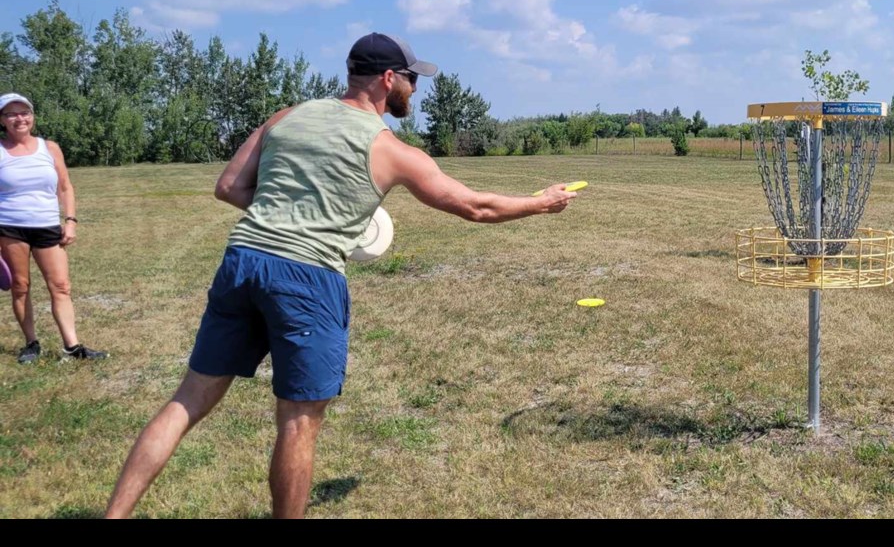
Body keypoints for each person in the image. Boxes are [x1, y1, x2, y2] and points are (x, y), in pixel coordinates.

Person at [105, 33, 577, 518]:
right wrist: (542, 202)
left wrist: (289, 212)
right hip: (306, 278)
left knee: (188, 400)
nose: (414, 90)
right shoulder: (389, 148)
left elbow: (229, 186)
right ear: (389, 79)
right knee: (298, 421)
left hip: (243, 258)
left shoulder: (288, 117)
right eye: (412, 80)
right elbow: (474, 207)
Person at [0, 93, 107, 364]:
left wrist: (70, 220)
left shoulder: (49, 147)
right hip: (10, 227)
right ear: (2, 120)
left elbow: (65, 187)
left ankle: (72, 346)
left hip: (47, 225)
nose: (19, 118)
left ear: (32, 117)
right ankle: (31, 343)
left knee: (61, 285)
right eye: (11, 114)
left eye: (24, 112)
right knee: (20, 287)